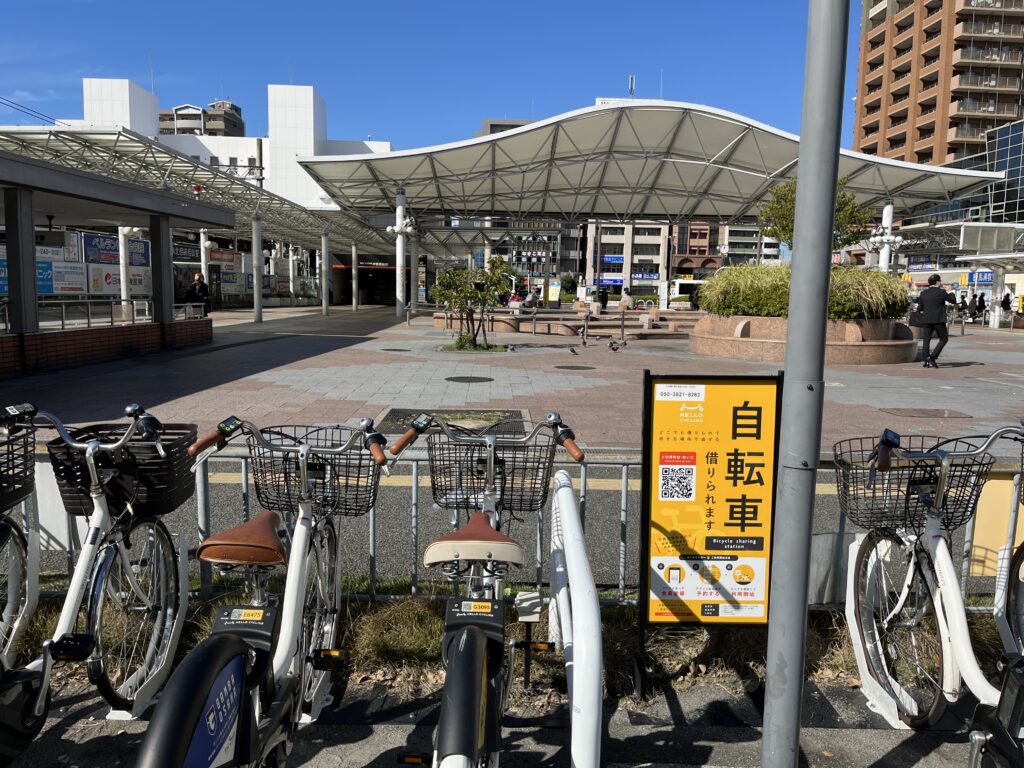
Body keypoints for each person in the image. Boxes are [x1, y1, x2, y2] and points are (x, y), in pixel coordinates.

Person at [916, 273, 957, 369]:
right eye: (940, 281)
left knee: (926, 340)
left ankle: (926, 360)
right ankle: (932, 357)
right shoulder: (941, 292)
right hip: (938, 320)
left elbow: (920, 308)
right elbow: (953, 300)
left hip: (926, 320)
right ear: (937, 282)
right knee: (943, 339)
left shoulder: (923, 293)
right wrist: (950, 291)